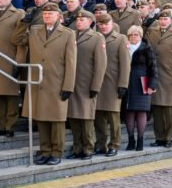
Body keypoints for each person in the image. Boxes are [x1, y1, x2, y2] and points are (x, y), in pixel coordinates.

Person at [11, 2, 77, 165]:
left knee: (56, 121)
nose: (47, 16)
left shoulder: (68, 34)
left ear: (58, 16)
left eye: (50, 14)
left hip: (56, 82)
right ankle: (45, 150)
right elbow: (16, 39)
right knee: (41, 118)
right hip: (38, 82)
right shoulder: (34, 31)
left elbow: (71, 63)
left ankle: (56, 152)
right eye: (45, 14)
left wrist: (68, 86)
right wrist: (24, 23)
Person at [67, 10, 107, 160]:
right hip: (72, 82)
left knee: (86, 118)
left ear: (90, 22)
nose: (79, 22)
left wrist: (95, 86)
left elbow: (100, 64)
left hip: (87, 83)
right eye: (77, 20)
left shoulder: (96, 38)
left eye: (82, 20)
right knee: (74, 118)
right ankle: (77, 148)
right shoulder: (71, 35)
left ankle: (88, 148)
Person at [146, 10, 172, 148]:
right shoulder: (152, 32)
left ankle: (168, 137)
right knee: (157, 108)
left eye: (166, 19)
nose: (163, 21)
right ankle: (159, 137)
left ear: (171, 20)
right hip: (155, 74)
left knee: (169, 109)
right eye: (161, 19)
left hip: (170, 76)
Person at [94, 13, 130, 157]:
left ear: (112, 23)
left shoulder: (120, 39)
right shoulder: (96, 37)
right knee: (98, 116)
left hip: (113, 83)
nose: (103, 26)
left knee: (113, 116)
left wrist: (123, 84)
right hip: (98, 82)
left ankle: (114, 144)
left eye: (106, 24)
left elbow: (125, 64)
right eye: (101, 24)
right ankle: (100, 144)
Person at [0, 0, 26, 137]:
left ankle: (10, 125)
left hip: (9, 58)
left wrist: (18, 63)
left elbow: (22, 41)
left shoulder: (18, 14)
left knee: (11, 94)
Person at [125, 25, 157, 151]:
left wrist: (152, 85)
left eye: (136, 35)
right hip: (128, 82)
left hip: (142, 83)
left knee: (141, 112)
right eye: (131, 35)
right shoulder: (125, 47)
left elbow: (153, 68)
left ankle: (140, 140)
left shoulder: (147, 48)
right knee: (129, 112)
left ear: (140, 36)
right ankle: (131, 140)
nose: (133, 37)